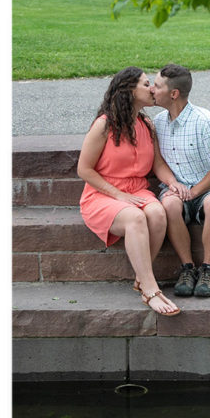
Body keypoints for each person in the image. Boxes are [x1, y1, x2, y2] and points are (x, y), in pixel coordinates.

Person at [77, 67, 180, 316]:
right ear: (129, 91)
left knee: (157, 213)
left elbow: (157, 164)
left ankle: (140, 278)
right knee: (135, 217)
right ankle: (150, 289)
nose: (153, 89)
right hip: (102, 194)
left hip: (137, 190)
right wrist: (118, 195)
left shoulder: (146, 124)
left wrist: (173, 182)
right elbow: (84, 169)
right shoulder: (104, 125)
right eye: (147, 85)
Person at [150, 64, 210, 298]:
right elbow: (158, 162)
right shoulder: (157, 123)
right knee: (169, 204)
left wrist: (195, 191)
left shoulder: (205, 121)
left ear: (173, 94)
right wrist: (173, 184)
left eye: (157, 86)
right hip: (177, 190)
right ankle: (187, 268)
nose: (152, 90)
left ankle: (208, 269)